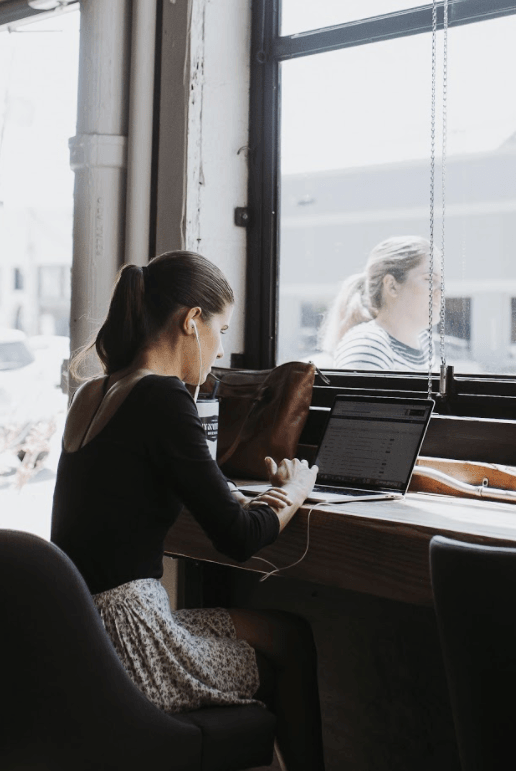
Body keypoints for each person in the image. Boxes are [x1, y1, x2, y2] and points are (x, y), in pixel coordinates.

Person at [50, 251, 325, 770]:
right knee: (290, 651)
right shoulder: (162, 395)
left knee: (288, 631)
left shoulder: (91, 392)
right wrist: (293, 492)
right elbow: (238, 537)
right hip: (133, 647)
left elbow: (137, 487)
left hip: (82, 634)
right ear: (192, 322)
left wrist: (240, 496)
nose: (220, 350)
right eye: (220, 329)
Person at [320, 235, 437, 371]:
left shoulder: (423, 341)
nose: (439, 290)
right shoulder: (367, 347)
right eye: (429, 279)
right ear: (392, 286)